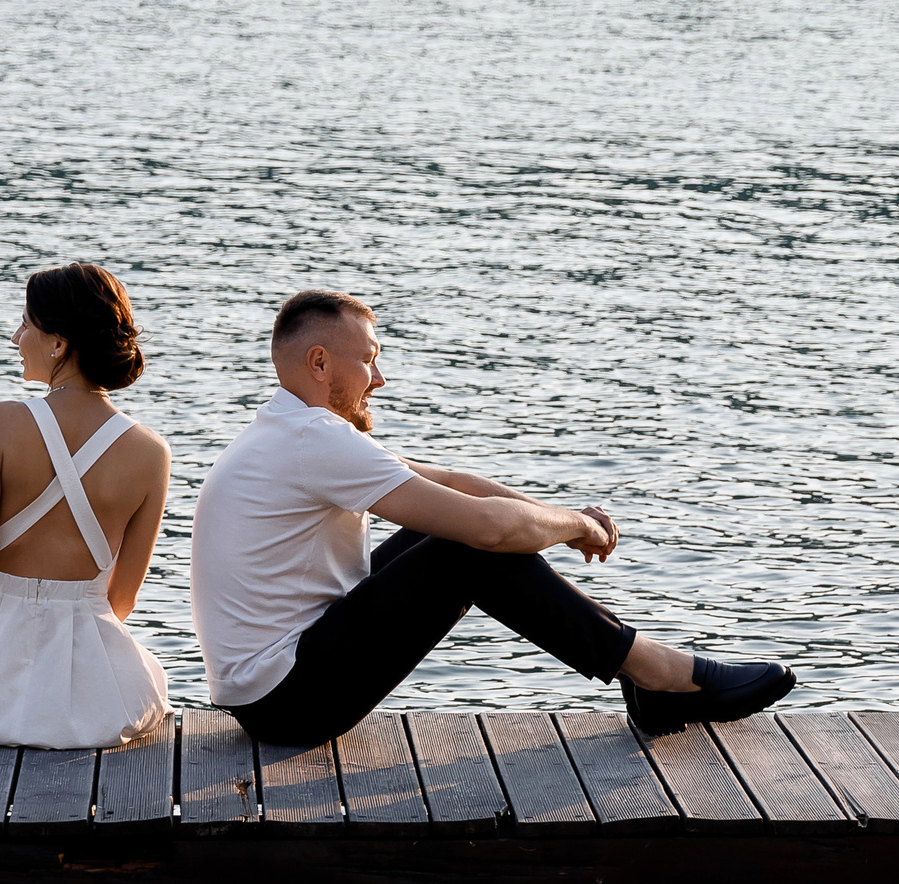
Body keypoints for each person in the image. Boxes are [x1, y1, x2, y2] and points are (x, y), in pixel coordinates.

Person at [190, 289, 794, 747]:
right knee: (467, 547)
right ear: (320, 364)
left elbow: (448, 484)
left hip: (277, 685)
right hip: (290, 703)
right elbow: (487, 529)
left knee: (443, 526)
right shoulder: (312, 439)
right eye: (369, 360)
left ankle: (646, 677)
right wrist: (574, 527)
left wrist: (561, 515)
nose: (380, 377)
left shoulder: (289, 431)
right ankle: (656, 672)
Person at [0, 263, 173, 749]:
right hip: (95, 697)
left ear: (59, 343)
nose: (16, 337)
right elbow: (121, 601)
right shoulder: (151, 452)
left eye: (26, 324)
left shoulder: (1, 422)